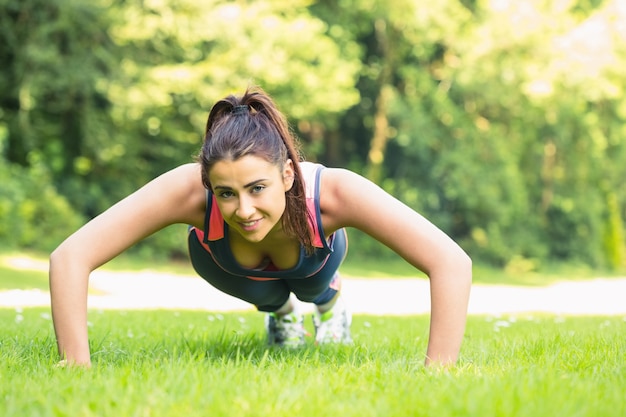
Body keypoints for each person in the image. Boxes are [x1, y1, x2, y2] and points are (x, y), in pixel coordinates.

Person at [49, 86, 472, 368]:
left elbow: (450, 261)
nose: (244, 209)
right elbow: (70, 257)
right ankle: (281, 315)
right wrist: (75, 367)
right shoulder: (188, 189)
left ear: (288, 174)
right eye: (226, 193)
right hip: (230, 265)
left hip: (313, 260)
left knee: (309, 285)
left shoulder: (335, 193)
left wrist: (439, 373)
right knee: (270, 295)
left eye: (257, 188)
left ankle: (330, 302)